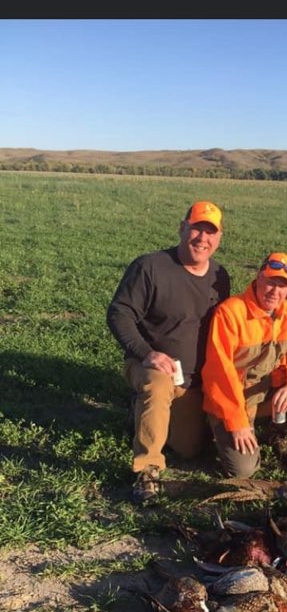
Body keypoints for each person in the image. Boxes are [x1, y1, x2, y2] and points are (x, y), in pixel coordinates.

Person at [107, 200, 230, 504]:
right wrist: (146, 352)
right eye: (196, 229)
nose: (202, 238)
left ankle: (142, 413)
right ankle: (147, 471)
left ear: (219, 238)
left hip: (190, 379)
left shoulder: (220, 276)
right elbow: (119, 313)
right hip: (149, 364)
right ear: (182, 228)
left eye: (210, 232)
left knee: (189, 448)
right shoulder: (150, 266)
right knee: (158, 385)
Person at [201, 251, 287, 478]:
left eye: (282, 285)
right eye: (271, 282)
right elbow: (219, 372)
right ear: (259, 277)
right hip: (235, 400)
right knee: (243, 470)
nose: (275, 291)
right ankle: (223, 428)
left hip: (270, 392)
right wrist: (237, 422)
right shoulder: (231, 312)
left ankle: (278, 433)